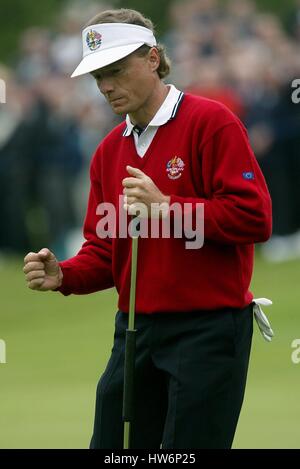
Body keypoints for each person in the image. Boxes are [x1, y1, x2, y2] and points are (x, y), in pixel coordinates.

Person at [23, 8, 272, 449]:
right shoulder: (107, 152)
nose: (105, 87)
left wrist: (168, 209)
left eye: (116, 71)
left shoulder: (210, 123)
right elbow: (105, 251)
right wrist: (66, 275)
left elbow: (255, 217)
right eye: (98, 76)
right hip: (135, 331)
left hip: (208, 331)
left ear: (153, 58)